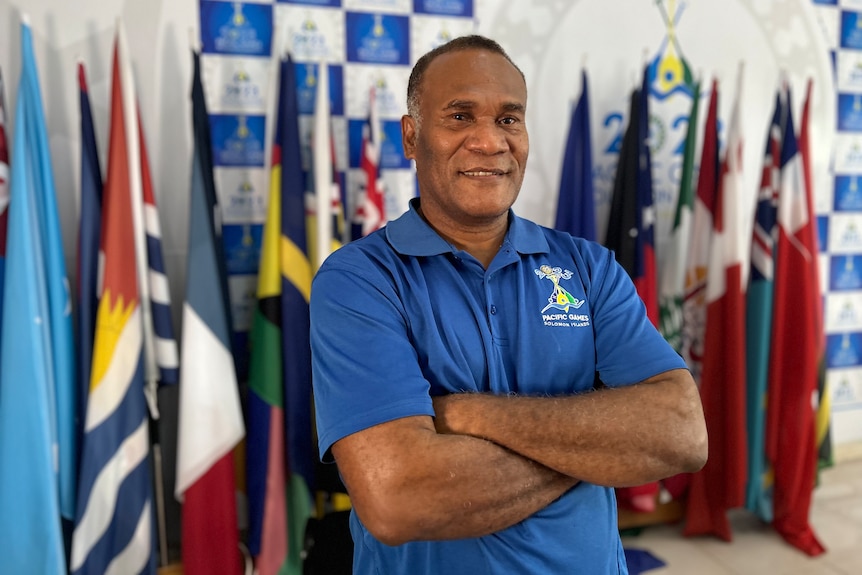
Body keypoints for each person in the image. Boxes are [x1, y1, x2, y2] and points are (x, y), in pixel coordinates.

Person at [310, 34, 708, 574]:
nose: (489, 141)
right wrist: (599, 446)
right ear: (411, 135)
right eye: (459, 116)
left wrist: (465, 414)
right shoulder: (359, 279)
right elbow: (399, 498)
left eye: (509, 119)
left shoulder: (588, 267)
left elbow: (681, 434)